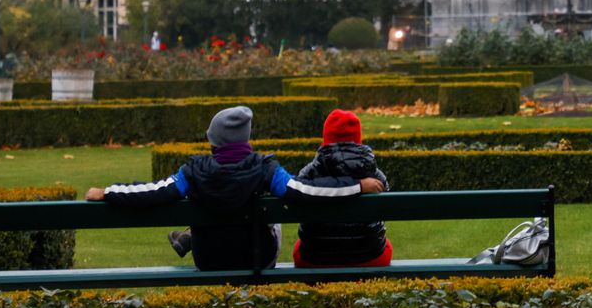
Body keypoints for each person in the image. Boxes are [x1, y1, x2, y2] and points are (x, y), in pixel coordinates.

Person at [85, 106, 385, 271]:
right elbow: (305, 191)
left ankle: (189, 237)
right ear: (246, 139)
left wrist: (107, 192)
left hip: (208, 260)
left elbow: (155, 191)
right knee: (274, 205)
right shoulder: (265, 168)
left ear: (213, 141)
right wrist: (356, 186)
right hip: (256, 259)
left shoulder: (193, 170)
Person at [293, 109, 393, 267]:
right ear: (358, 138)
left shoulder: (309, 173)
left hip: (316, 259)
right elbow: (384, 213)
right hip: (369, 258)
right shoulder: (375, 175)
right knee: (386, 245)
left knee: (299, 247)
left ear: (326, 137)